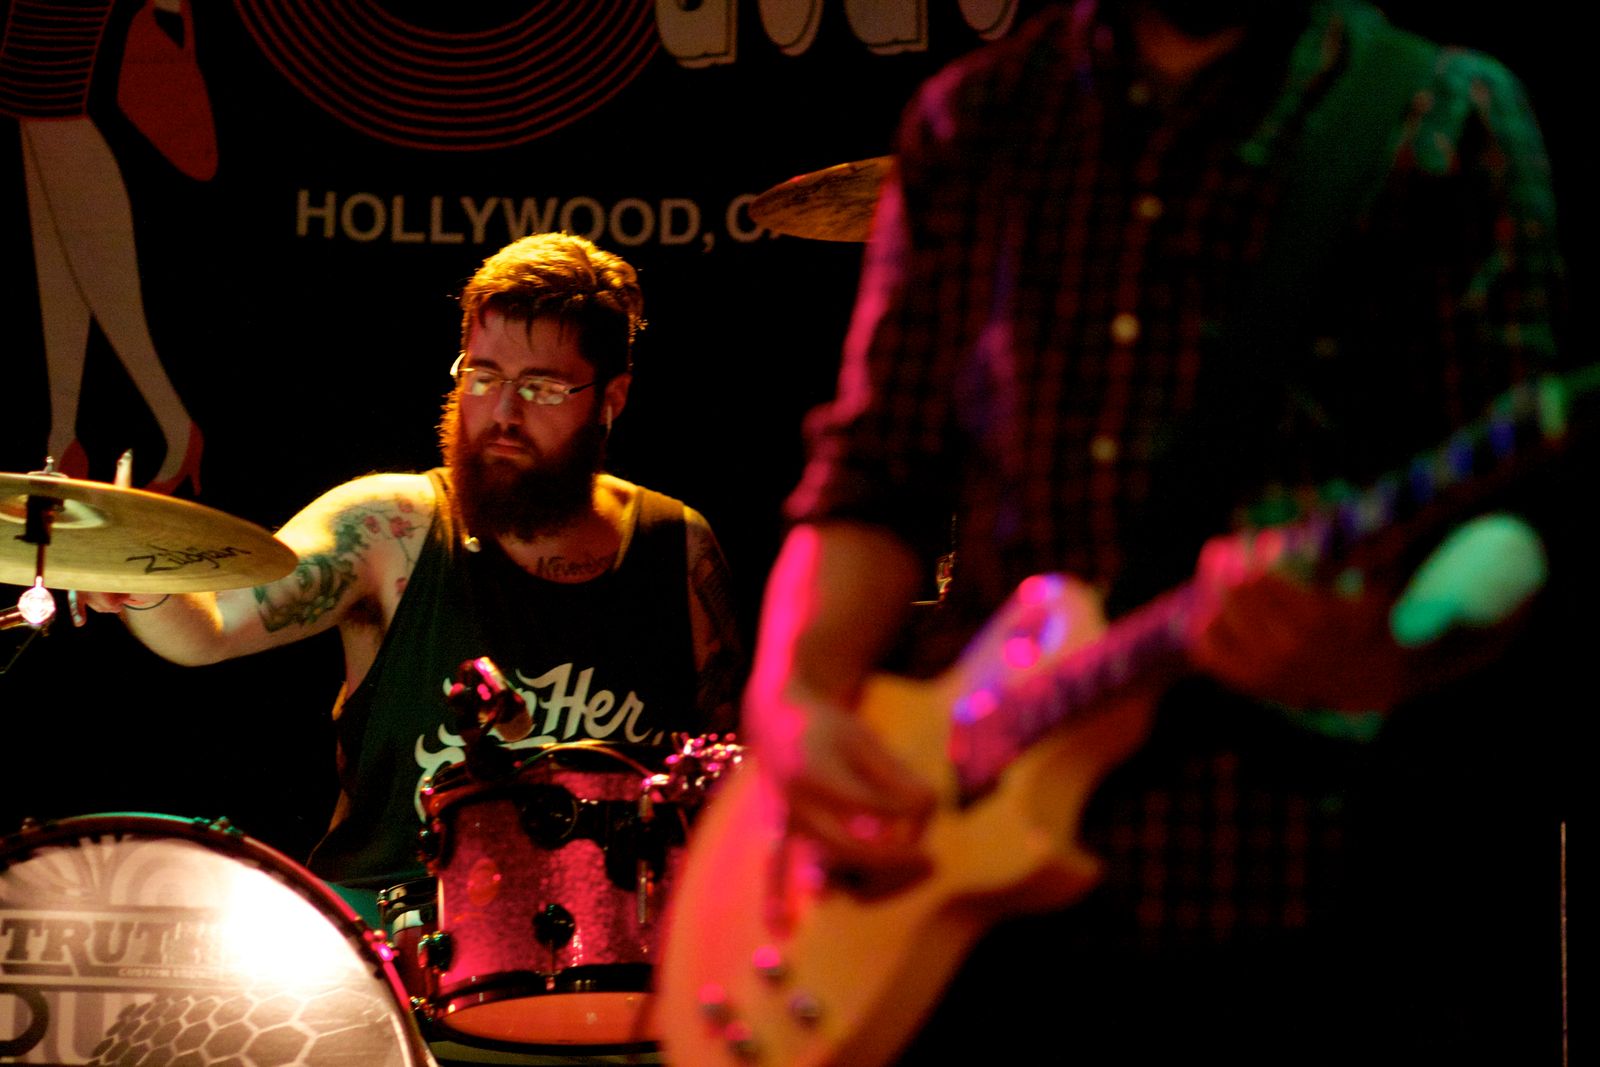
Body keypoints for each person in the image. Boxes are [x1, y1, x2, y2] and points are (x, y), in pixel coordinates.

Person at [745, 1, 1567, 1063]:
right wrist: (798, 694)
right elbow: (872, 475)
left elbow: (1515, 510)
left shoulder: (1440, 113)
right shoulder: (976, 117)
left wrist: (1384, 647)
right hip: (984, 923)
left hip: (1306, 902)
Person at [84, 232, 744, 921]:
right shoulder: (388, 529)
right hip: (392, 931)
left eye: (541, 388)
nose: (504, 413)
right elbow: (208, 629)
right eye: (482, 376)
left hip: (608, 944)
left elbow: (735, 780)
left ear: (612, 397)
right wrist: (142, 584)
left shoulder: (677, 546)